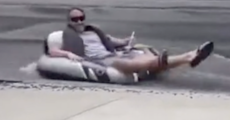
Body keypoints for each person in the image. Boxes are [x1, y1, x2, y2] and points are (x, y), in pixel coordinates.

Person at [44, 7, 215, 75]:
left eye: (81, 18)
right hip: (101, 61)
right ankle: (189, 56)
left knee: (142, 52)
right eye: (75, 19)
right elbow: (52, 51)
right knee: (127, 63)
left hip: (111, 53)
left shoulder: (93, 31)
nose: (79, 21)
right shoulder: (68, 36)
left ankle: (189, 57)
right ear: (69, 22)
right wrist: (68, 53)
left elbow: (113, 41)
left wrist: (127, 41)